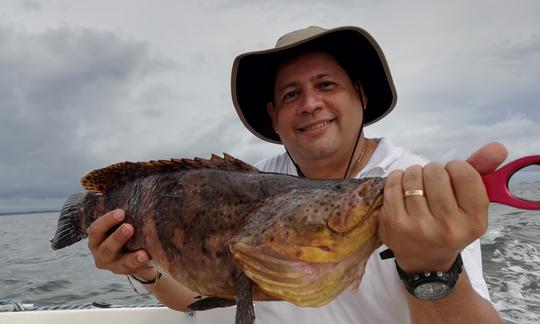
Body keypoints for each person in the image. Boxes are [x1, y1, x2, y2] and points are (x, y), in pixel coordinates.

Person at [87, 26, 504, 323]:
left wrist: (430, 268)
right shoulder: (255, 181)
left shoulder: (415, 185)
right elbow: (199, 298)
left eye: (326, 85)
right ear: (274, 115)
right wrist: (144, 269)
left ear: (359, 94)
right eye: (291, 94)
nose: (309, 104)